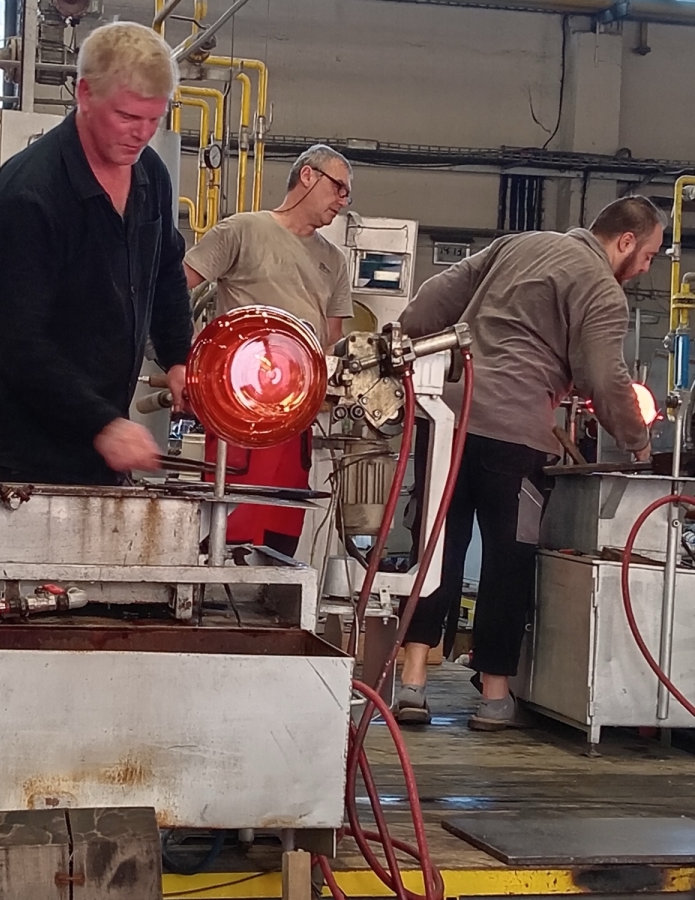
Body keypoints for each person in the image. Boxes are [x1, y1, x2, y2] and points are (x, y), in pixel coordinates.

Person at [396, 195, 664, 731]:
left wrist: (405, 343)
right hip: (514, 436)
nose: (645, 268)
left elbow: (431, 301)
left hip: (447, 418)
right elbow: (603, 376)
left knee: (436, 547)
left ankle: (412, 683)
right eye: (650, 256)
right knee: (507, 560)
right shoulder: (601, 288)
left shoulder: (518, 244)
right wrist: (637, 442)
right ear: (626, 241)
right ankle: (495, 697)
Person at [0, 22, 193, 485]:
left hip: (106, 434)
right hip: (31, 449)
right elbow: (14, 342)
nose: (142, 134)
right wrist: (102, 424)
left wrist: (179, 358)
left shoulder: (150, 174)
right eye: (128, 117)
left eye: (155, 119)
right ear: (85, 94)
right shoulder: (28, 196)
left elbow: (166, 270)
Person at [182, 145, 354, 556]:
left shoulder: (334, 261)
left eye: (348, 194)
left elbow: (332, 340)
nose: (343, 201)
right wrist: (184, 361)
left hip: (296, 419)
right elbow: (174, 287)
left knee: (280, 532)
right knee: (230, 531)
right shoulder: (242, 231)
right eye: (339, 187)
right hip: (240, 415)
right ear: (308, 175)